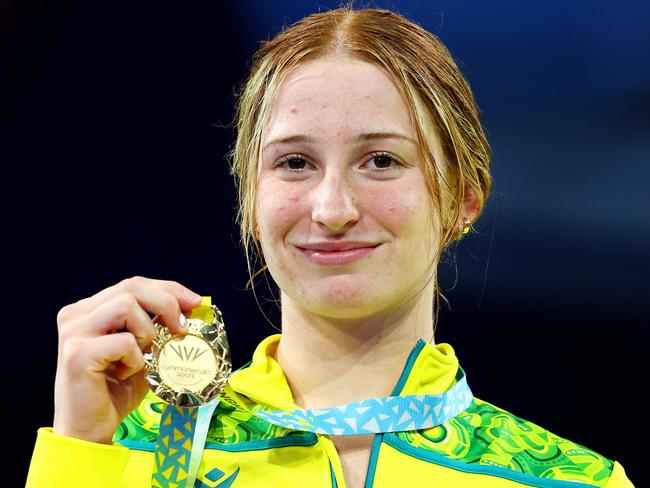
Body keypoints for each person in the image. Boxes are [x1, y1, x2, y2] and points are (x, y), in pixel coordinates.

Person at [26, 5, 634, 488]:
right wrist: (79, 452)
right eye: (294, 162)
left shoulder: (567, 480)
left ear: (463, 197)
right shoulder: (141, 451)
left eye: (381, 161)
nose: (333, 208)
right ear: (250, 199)